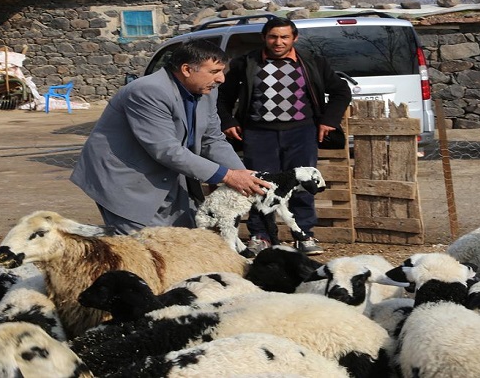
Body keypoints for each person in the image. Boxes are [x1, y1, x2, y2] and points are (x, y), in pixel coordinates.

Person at [70, 40, 267, 234]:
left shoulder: (206, 91)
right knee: (146, 249)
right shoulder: (148, 91)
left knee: (184, 239)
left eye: (222, 71)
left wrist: (246, 177)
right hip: (126, 179)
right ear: (187, 69)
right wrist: (229, 176)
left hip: (169, 175)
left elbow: (212, 139)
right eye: (214, 72)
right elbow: (166, 150)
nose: (221, 79)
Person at [217, 17, 352, 255]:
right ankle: (261, 236)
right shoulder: (246, 63)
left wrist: (328, 121)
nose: (278, 42)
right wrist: (228, 121)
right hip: (259, 134)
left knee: (301, 184)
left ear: (294, 38)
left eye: (284, 37)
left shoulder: (311, 62)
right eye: (273, 37)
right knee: (260, 185)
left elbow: (341, 91)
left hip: (301, 132)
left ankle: (304, 235)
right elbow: (222, 95)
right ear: (264, 38)